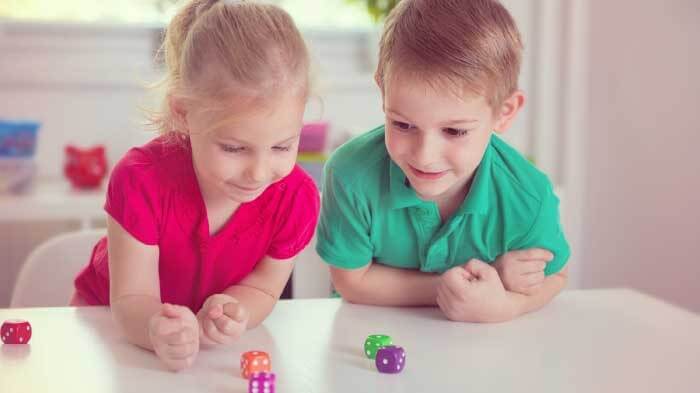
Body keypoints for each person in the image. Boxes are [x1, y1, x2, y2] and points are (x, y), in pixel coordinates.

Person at [72, 0, 319, 371]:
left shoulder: (296, 199)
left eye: (283, 146)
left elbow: (265, 287)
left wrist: (235, 311)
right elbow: (131, 299)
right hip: (107, 332)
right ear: (183, 113)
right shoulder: (140, 180)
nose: (259, 171)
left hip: (203, 355)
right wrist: (155, 327)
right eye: (235, 148)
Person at [316, 0, 570, 323]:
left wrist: (506, 305)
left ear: (504, 113)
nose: (425, 155)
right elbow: (351, 281)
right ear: (383, 91)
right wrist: (469, 283)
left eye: (454, 130)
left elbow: (556, 276)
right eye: (403, 125)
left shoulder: (527, 197)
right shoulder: (350, 174)